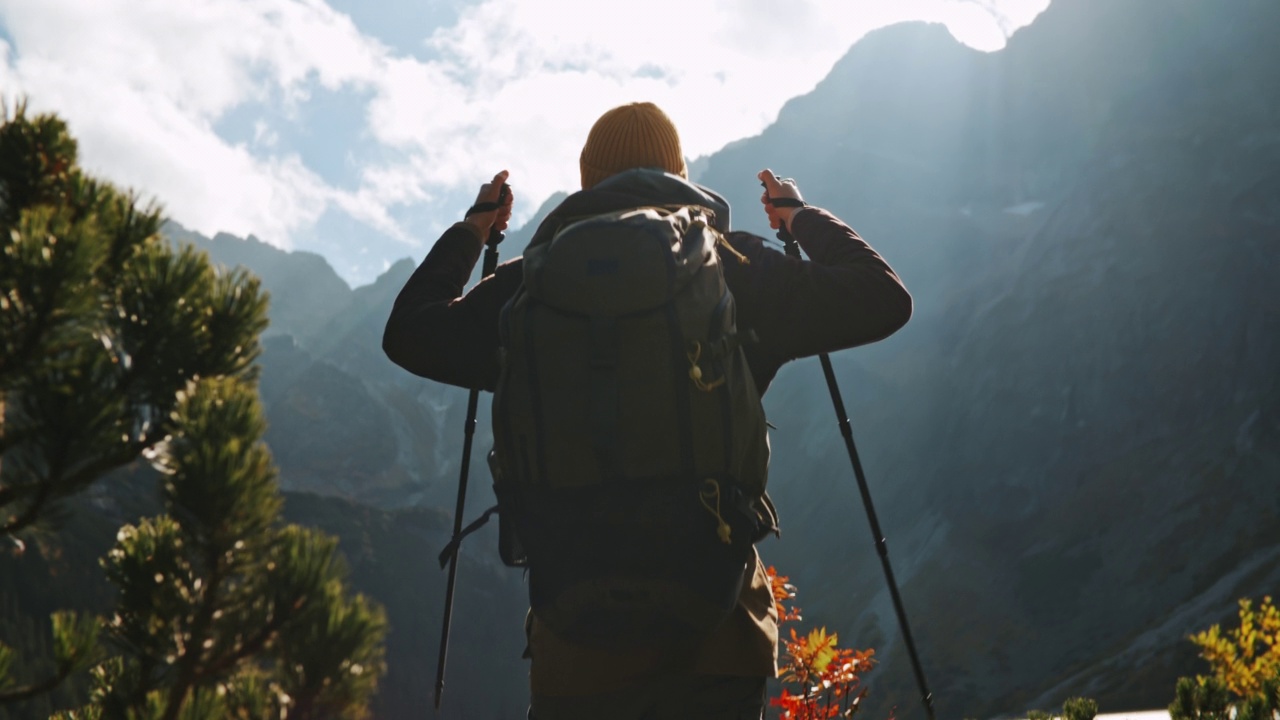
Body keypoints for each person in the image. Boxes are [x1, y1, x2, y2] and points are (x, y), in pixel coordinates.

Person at [383, 101, 912, 720]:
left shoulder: (528, 288)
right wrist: (798, 219)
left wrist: (474, 229)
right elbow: (882, 298)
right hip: (719, 638)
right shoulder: (730, 265)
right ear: (678, 172)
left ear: (587, 180)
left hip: (576, 648)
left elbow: (410, 333)